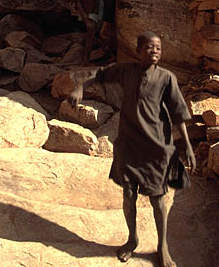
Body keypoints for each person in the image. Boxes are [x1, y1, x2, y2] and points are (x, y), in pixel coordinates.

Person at [68, 31, 195, 266]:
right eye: (148, 47)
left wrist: (186, 145)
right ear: (138, 51)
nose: (154, 51)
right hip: (128, 144)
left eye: (158, 47)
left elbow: (178, 114)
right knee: (128, 195)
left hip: (156, 147)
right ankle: (132, 239)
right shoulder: (126, 71)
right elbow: (99, 74)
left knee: (158, 199)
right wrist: (80, 87)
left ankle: (162, 246)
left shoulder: (167, 79)